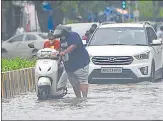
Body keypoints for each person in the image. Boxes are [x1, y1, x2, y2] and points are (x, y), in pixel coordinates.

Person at [53, 24, 90, 98]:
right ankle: (78, 98)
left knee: (83, 81)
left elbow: (73, 46)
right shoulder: (62, 39)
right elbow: (61, 50)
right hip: (69, 65)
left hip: (81, 63)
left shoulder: (73, 35)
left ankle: (85, 98)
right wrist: (58, 60)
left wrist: (64, 52)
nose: (60, 37)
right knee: (74, 83)